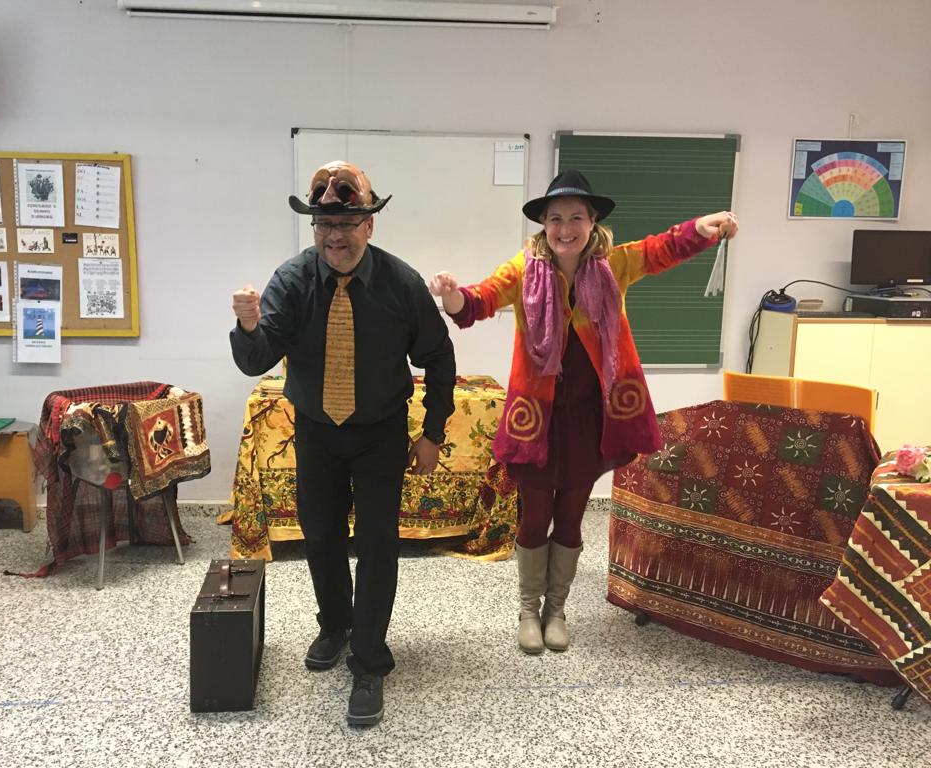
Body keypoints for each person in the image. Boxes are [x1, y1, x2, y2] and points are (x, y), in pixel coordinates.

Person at [429, 169, 738, 655]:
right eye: (555, 218)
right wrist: (451, 294)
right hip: (538, 419)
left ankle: (556, 610)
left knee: (571, 518)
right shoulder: (524, 269)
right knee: (535, 518)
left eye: (576, 217)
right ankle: (528, 611)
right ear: (543, 225)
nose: (565, 228)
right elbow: (479, 300)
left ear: (593, 222)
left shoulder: (614, 264)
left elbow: (661, 249)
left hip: (590, 419)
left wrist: (702, 228)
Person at [229, 161, 456, 726]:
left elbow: (438, 356)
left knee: (377, 543)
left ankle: (370, 661)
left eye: (347, 223)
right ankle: (335, 624)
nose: (335, 236)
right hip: (316, 431)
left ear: (369, 225)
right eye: (325, 224)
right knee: (321, 534)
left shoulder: (401, 283)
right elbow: (256, 360)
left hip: (380, 432)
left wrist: (432, 432)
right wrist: (250, 327)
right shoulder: (291, 281)